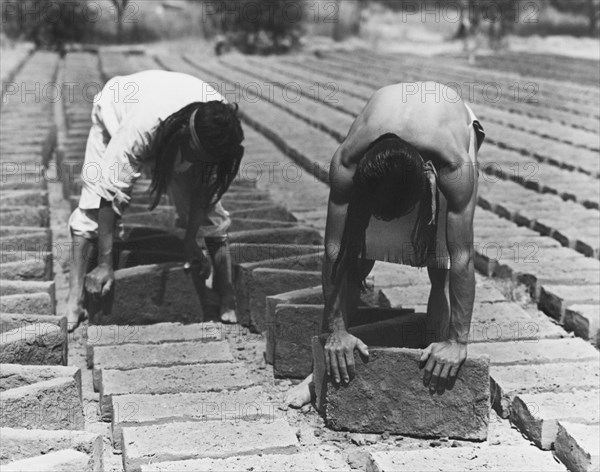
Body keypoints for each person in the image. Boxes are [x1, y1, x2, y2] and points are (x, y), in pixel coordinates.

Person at [286, 82, 485, 407]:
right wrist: (336, 329)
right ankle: (319, 371)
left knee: (441, 265)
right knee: (355, 258)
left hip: (444, 126)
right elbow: (335, 250)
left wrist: (459, 341)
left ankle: (440, 352)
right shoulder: (348, 162)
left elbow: (461, 257)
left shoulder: (453, 165)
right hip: (383, 129)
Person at [66, 70, 244, 331]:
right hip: (117, 107)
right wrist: (106, 264)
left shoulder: (220, 130)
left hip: (177, 133)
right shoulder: (141, 128)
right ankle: (75, 299)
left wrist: (191, 239)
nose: (197, 165)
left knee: (211, 216)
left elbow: (202, 195)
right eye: (195, 156)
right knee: (91, 210)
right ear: (186, 137)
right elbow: (109, 191)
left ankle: (224, 291)